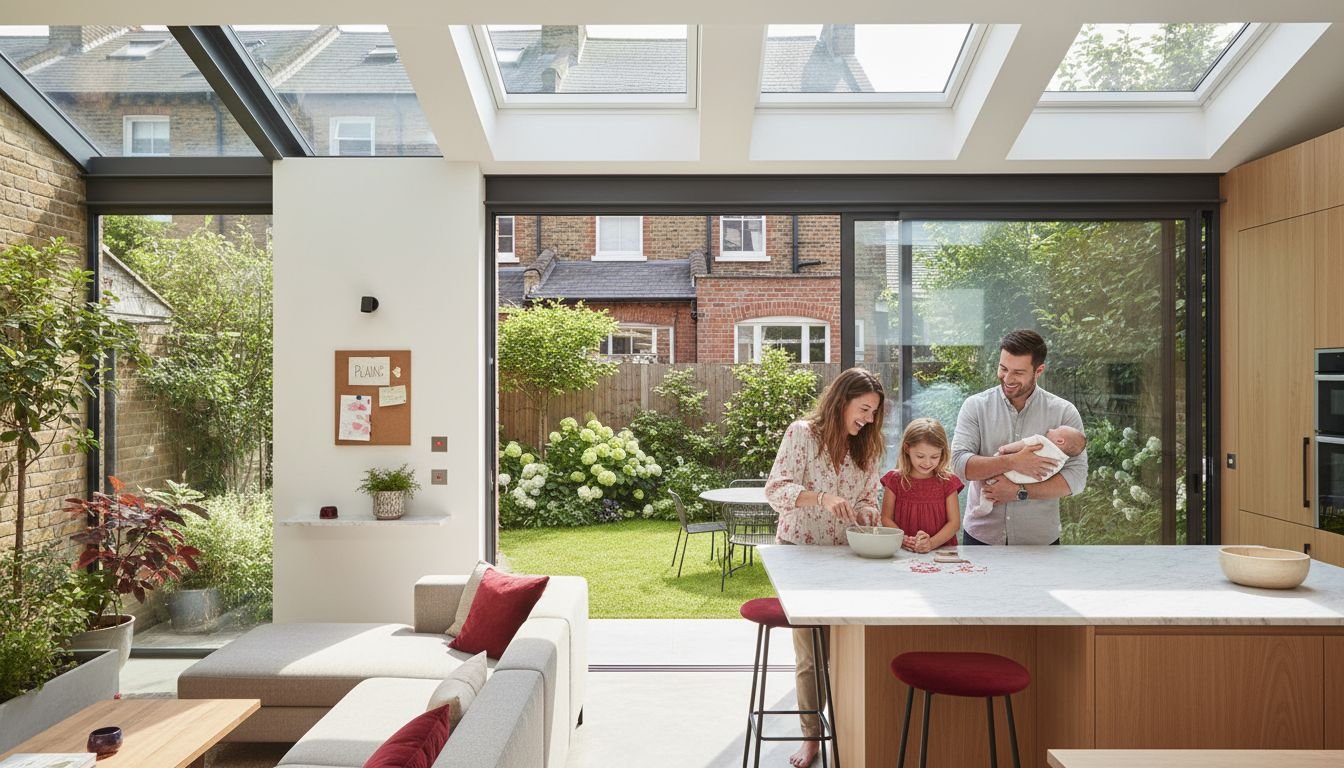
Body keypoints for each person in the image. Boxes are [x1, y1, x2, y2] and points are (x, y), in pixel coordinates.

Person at [765, 367, 886, 768]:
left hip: (845, 557)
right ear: (842, 401)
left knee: (850, 650)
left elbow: (870, 496)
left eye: (873, 412)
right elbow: (777, 489)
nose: (868, 419)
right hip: (800, 553)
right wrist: (821, 498)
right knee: (811, 656)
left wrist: (868, 514)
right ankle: (812, 737)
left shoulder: (866, 445)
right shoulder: (802, 434)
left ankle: (852, 734)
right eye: (864, 409)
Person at [951, 329, 1088, 545]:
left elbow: (1077, 479)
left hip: (1039, 541)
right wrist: (1013, 461)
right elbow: (959, 465)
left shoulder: (1064, 413)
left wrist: (1019, 492)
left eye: (1018, 372)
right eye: (1003, 368)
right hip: (982, 538)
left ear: (1038, 370)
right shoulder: (975, 406)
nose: (1008, 378)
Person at [879, 417, 963, 553]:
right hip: (903, 552)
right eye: (920, 456)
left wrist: (931, 543)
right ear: (907, 448)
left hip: (941, 552)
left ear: (942, 453)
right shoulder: (894, 480)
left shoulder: (948, 482)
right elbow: (885, 518)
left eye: (934, 457)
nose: (927, 463)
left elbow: (954, 523)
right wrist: (902, 539)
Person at [968, 425, 1087, 518]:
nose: (1051, 429)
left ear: (1060, 441)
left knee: (991, 477)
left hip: (1008, 473)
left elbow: (1022, 444)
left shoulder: (1042, 441)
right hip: (1026, 479)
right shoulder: (1061, 461)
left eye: (1056, 429)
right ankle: (986, 504)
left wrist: (1005, 450)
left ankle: (984, 503)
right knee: (991, 485)